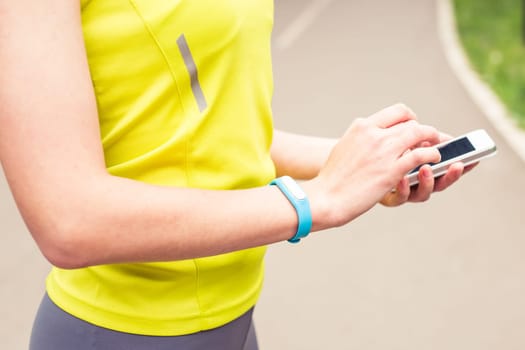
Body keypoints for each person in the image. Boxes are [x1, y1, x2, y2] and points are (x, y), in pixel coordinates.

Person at [0, 1, 470, 349]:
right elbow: (69, 220)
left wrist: (364, 165)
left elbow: (213, 131)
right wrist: (318, 198)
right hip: (123, 329)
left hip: (236, 320)